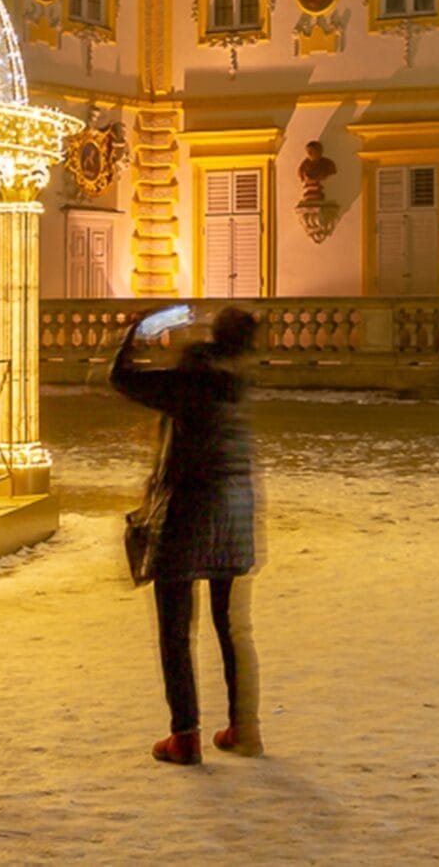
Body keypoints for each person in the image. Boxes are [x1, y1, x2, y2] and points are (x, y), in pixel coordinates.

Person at [112, 307, 261, 765]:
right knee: (232, 627)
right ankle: (244, 729)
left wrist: (135, 333)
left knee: (176, 629)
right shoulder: (237, 386)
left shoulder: (190, 381)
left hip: (189, 511)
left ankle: (185, 735)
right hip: (236, 512)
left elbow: (121, 379)